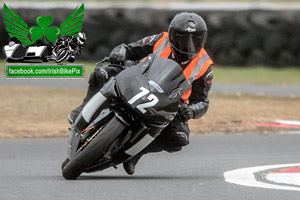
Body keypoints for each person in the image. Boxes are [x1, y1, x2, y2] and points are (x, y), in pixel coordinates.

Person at [68, 12, 213, 175]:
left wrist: (192, 111)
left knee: (179, 139)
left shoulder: (204, 64)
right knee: (100, 74)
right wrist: (120, 52)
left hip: (169, 103)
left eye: (195, 40)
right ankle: (85, 108)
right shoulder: (160, 39)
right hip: (137, 80)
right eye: (182, 39)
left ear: (203, 40)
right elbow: (129, 49)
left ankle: (136, 152)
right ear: (172, 35)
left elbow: (202, 102)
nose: (188, 45)